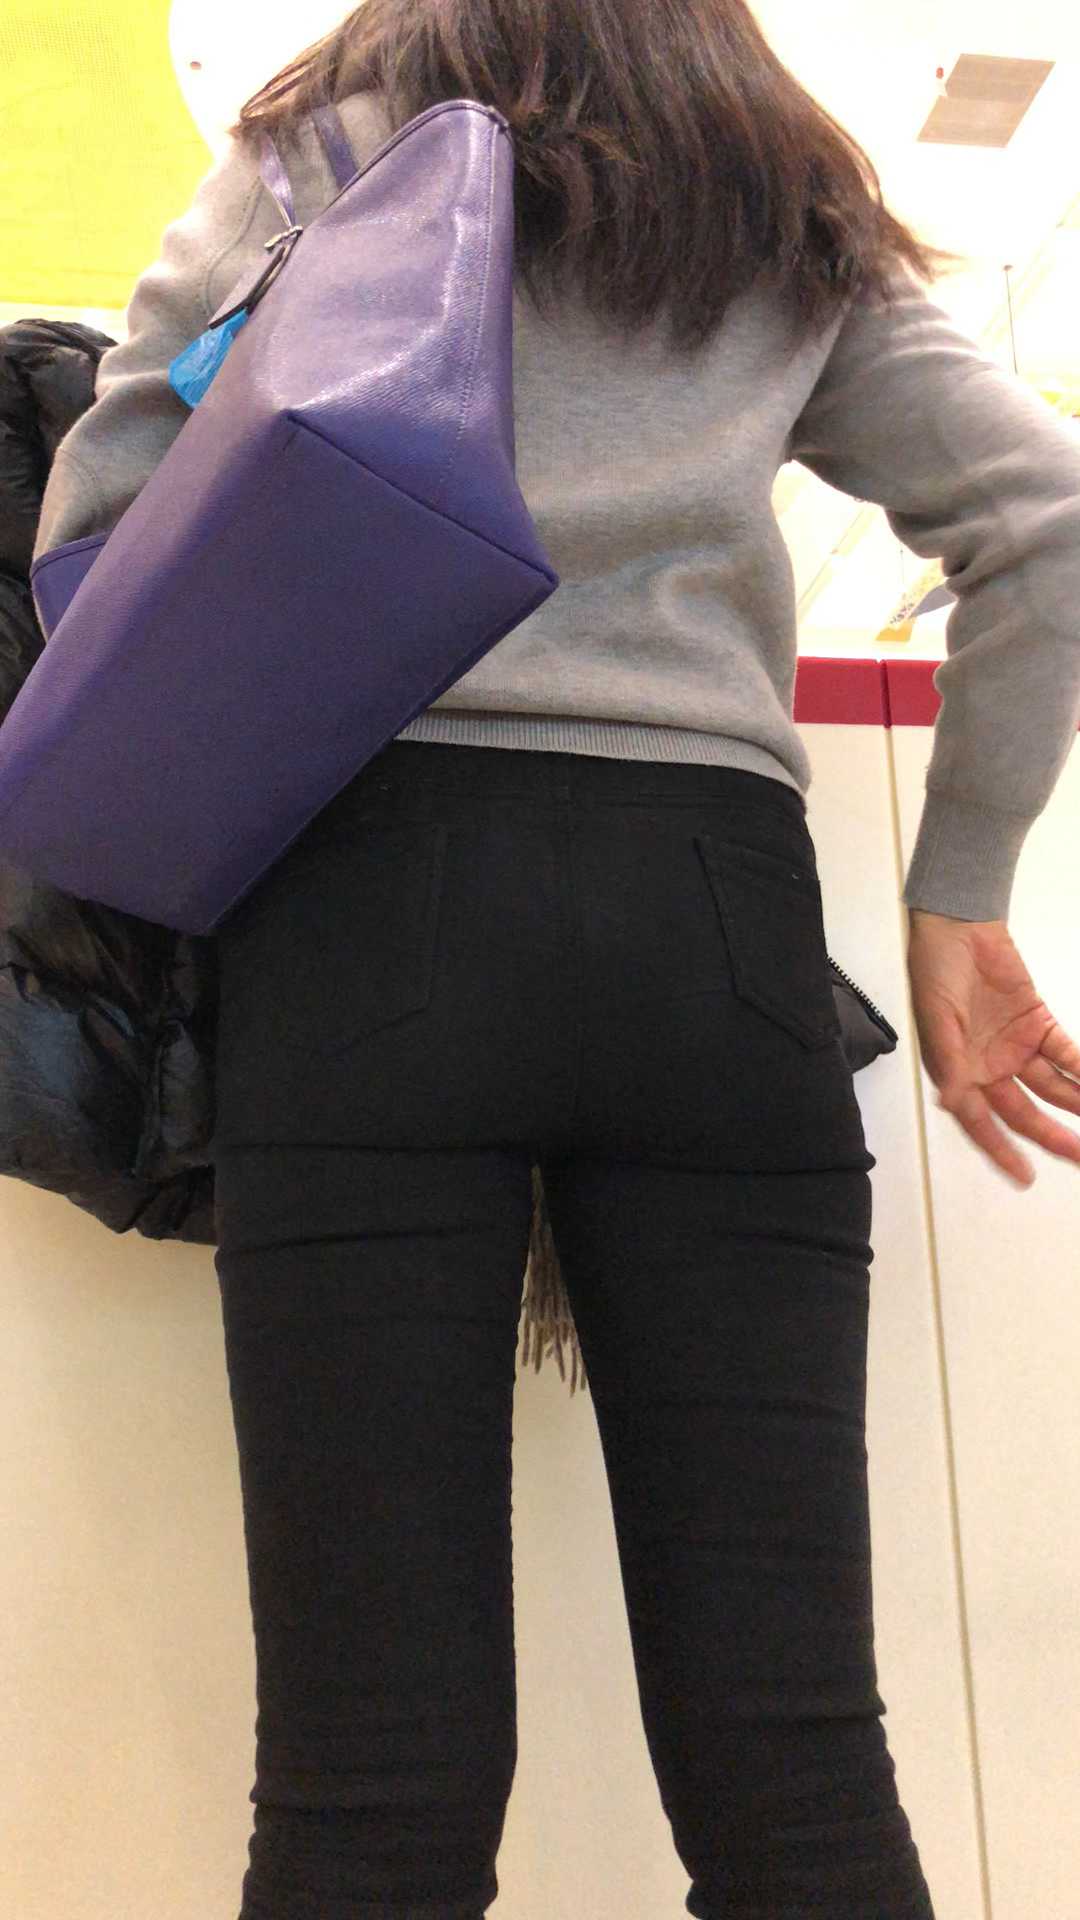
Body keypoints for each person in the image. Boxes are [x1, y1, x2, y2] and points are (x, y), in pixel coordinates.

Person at [31, 2, 1080, 1915]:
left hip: (369, 909)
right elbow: (1049, 524)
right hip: (714, 923)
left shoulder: (324, 151)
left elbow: (101, 517)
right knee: (794, 1761)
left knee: (367, 1785)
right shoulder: (780, 191)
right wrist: (960, 895)